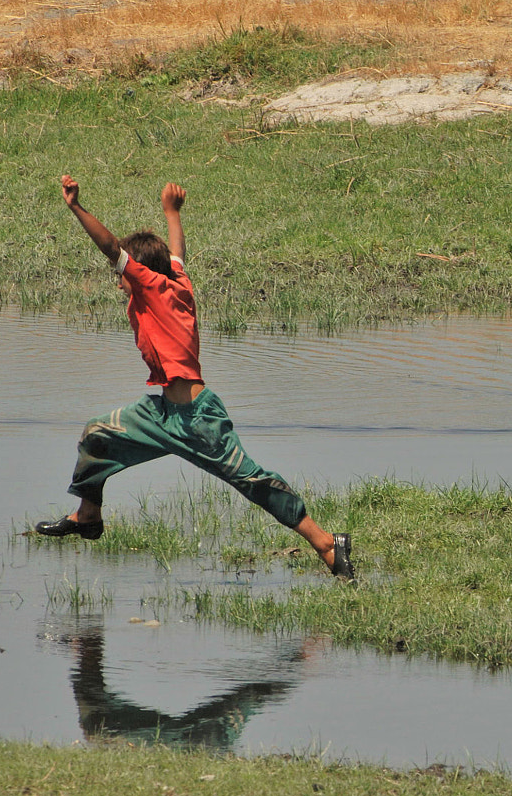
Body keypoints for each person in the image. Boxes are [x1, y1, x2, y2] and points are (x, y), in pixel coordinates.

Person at [34, 175, 353, 580]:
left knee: (252, 481)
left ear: (141, 271)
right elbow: (178, 253)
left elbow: (111, 248)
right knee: (97, 433)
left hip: (198, 420)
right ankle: (88, 516)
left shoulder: (150, 287)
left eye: (125, 272)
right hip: (162, 411)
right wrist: (171, 212)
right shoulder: (177, 281)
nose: (119, 279)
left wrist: (76, 208)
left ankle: (327, 543)